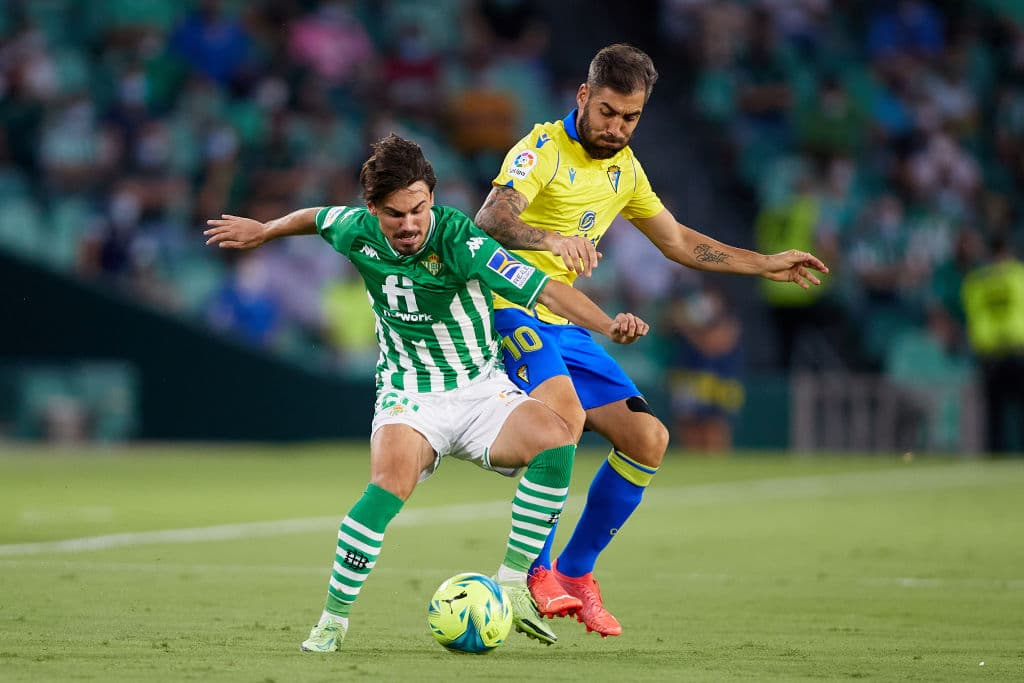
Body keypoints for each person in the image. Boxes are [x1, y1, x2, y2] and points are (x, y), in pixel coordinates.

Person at [203, 133, 649, 652]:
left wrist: (607, 325)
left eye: (419, 209)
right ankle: (332, 621)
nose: (410, 224)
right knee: (386, 487)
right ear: (373, 209)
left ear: (431, 198)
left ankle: (513, 584)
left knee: (557, 439)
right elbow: (316, 217)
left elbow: (546, 289)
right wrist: (265, 230)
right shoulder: (355, 229)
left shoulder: (461, 239)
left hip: (481, 391)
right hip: (410, 396)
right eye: (395, 215)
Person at [474, 43, 828, 636]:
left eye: (630, 117)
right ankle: (533, 574)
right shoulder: (541, 150)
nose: (616, 128)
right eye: (607, 112)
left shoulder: (626, 170)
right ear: (583, 96)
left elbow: (679, 242)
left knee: (648, 439)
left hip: (565, 323)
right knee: (562, 421)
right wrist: (551, 239)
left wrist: (763, 264)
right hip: (509, 312)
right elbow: (491, 217)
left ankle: (574, 574)